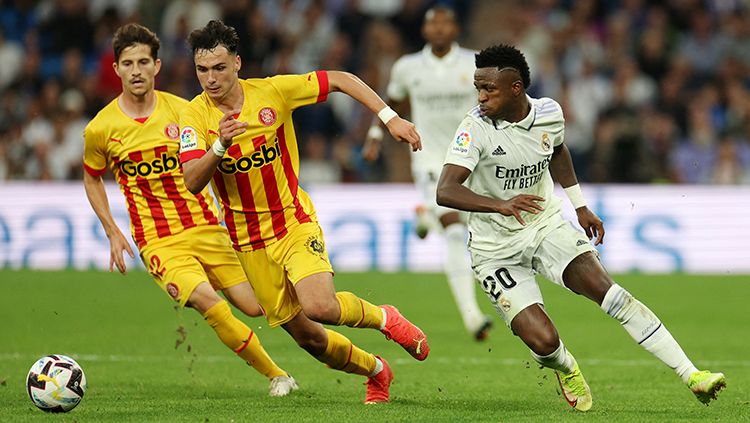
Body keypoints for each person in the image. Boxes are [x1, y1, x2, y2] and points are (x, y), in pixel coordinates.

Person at [436, 44, 726, 411]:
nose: (480, 96)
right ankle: (566, 366)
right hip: (494, 251)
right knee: (542, 342)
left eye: (488, 89)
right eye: (477, 88)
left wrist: (580, 205)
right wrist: (500, 205)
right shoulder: (474, 128)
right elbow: (445, 190)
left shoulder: (549, 113)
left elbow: (556, 150)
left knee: (612, 294)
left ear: (516, 88)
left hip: (545, 225)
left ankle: (692, 375)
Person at [179, 20, 429, 404]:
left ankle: (385, 317)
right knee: (309, 338)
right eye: (202, 70)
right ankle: (376, 371)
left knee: (320, 306)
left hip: (292, 221)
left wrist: (389, 117)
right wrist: (219, 147)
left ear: (238, 64)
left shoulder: (274, 92)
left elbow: (342, 78)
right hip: (248, 241)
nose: (210, 79)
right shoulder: (193, 118)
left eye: (219, 68)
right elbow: (192, 182)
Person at [82, 23, 297, 398]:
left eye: (143, 62)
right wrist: (112, 229)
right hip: (159, 240)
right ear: (115, 69)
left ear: (157, 66)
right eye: (128, 63)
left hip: (207, 227)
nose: (136, 70)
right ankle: (278, 375)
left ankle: (326, 318)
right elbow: (92, 177)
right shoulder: (101, 129)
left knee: (257, 306)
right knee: (207, 301)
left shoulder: (185, 112)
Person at [363, 6, 492, 341]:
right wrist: (376, 135)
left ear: (455, 29)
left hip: (472, 158)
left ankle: (426, 217)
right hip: (430, 159)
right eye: (432, 24)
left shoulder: (474, 63)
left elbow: (493, 104)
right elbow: (391, 104)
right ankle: (472, 317)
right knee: (453, 230)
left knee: (473, 227)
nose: (438, 29)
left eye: (444, 23)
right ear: (424, 31)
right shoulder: (407, 68)